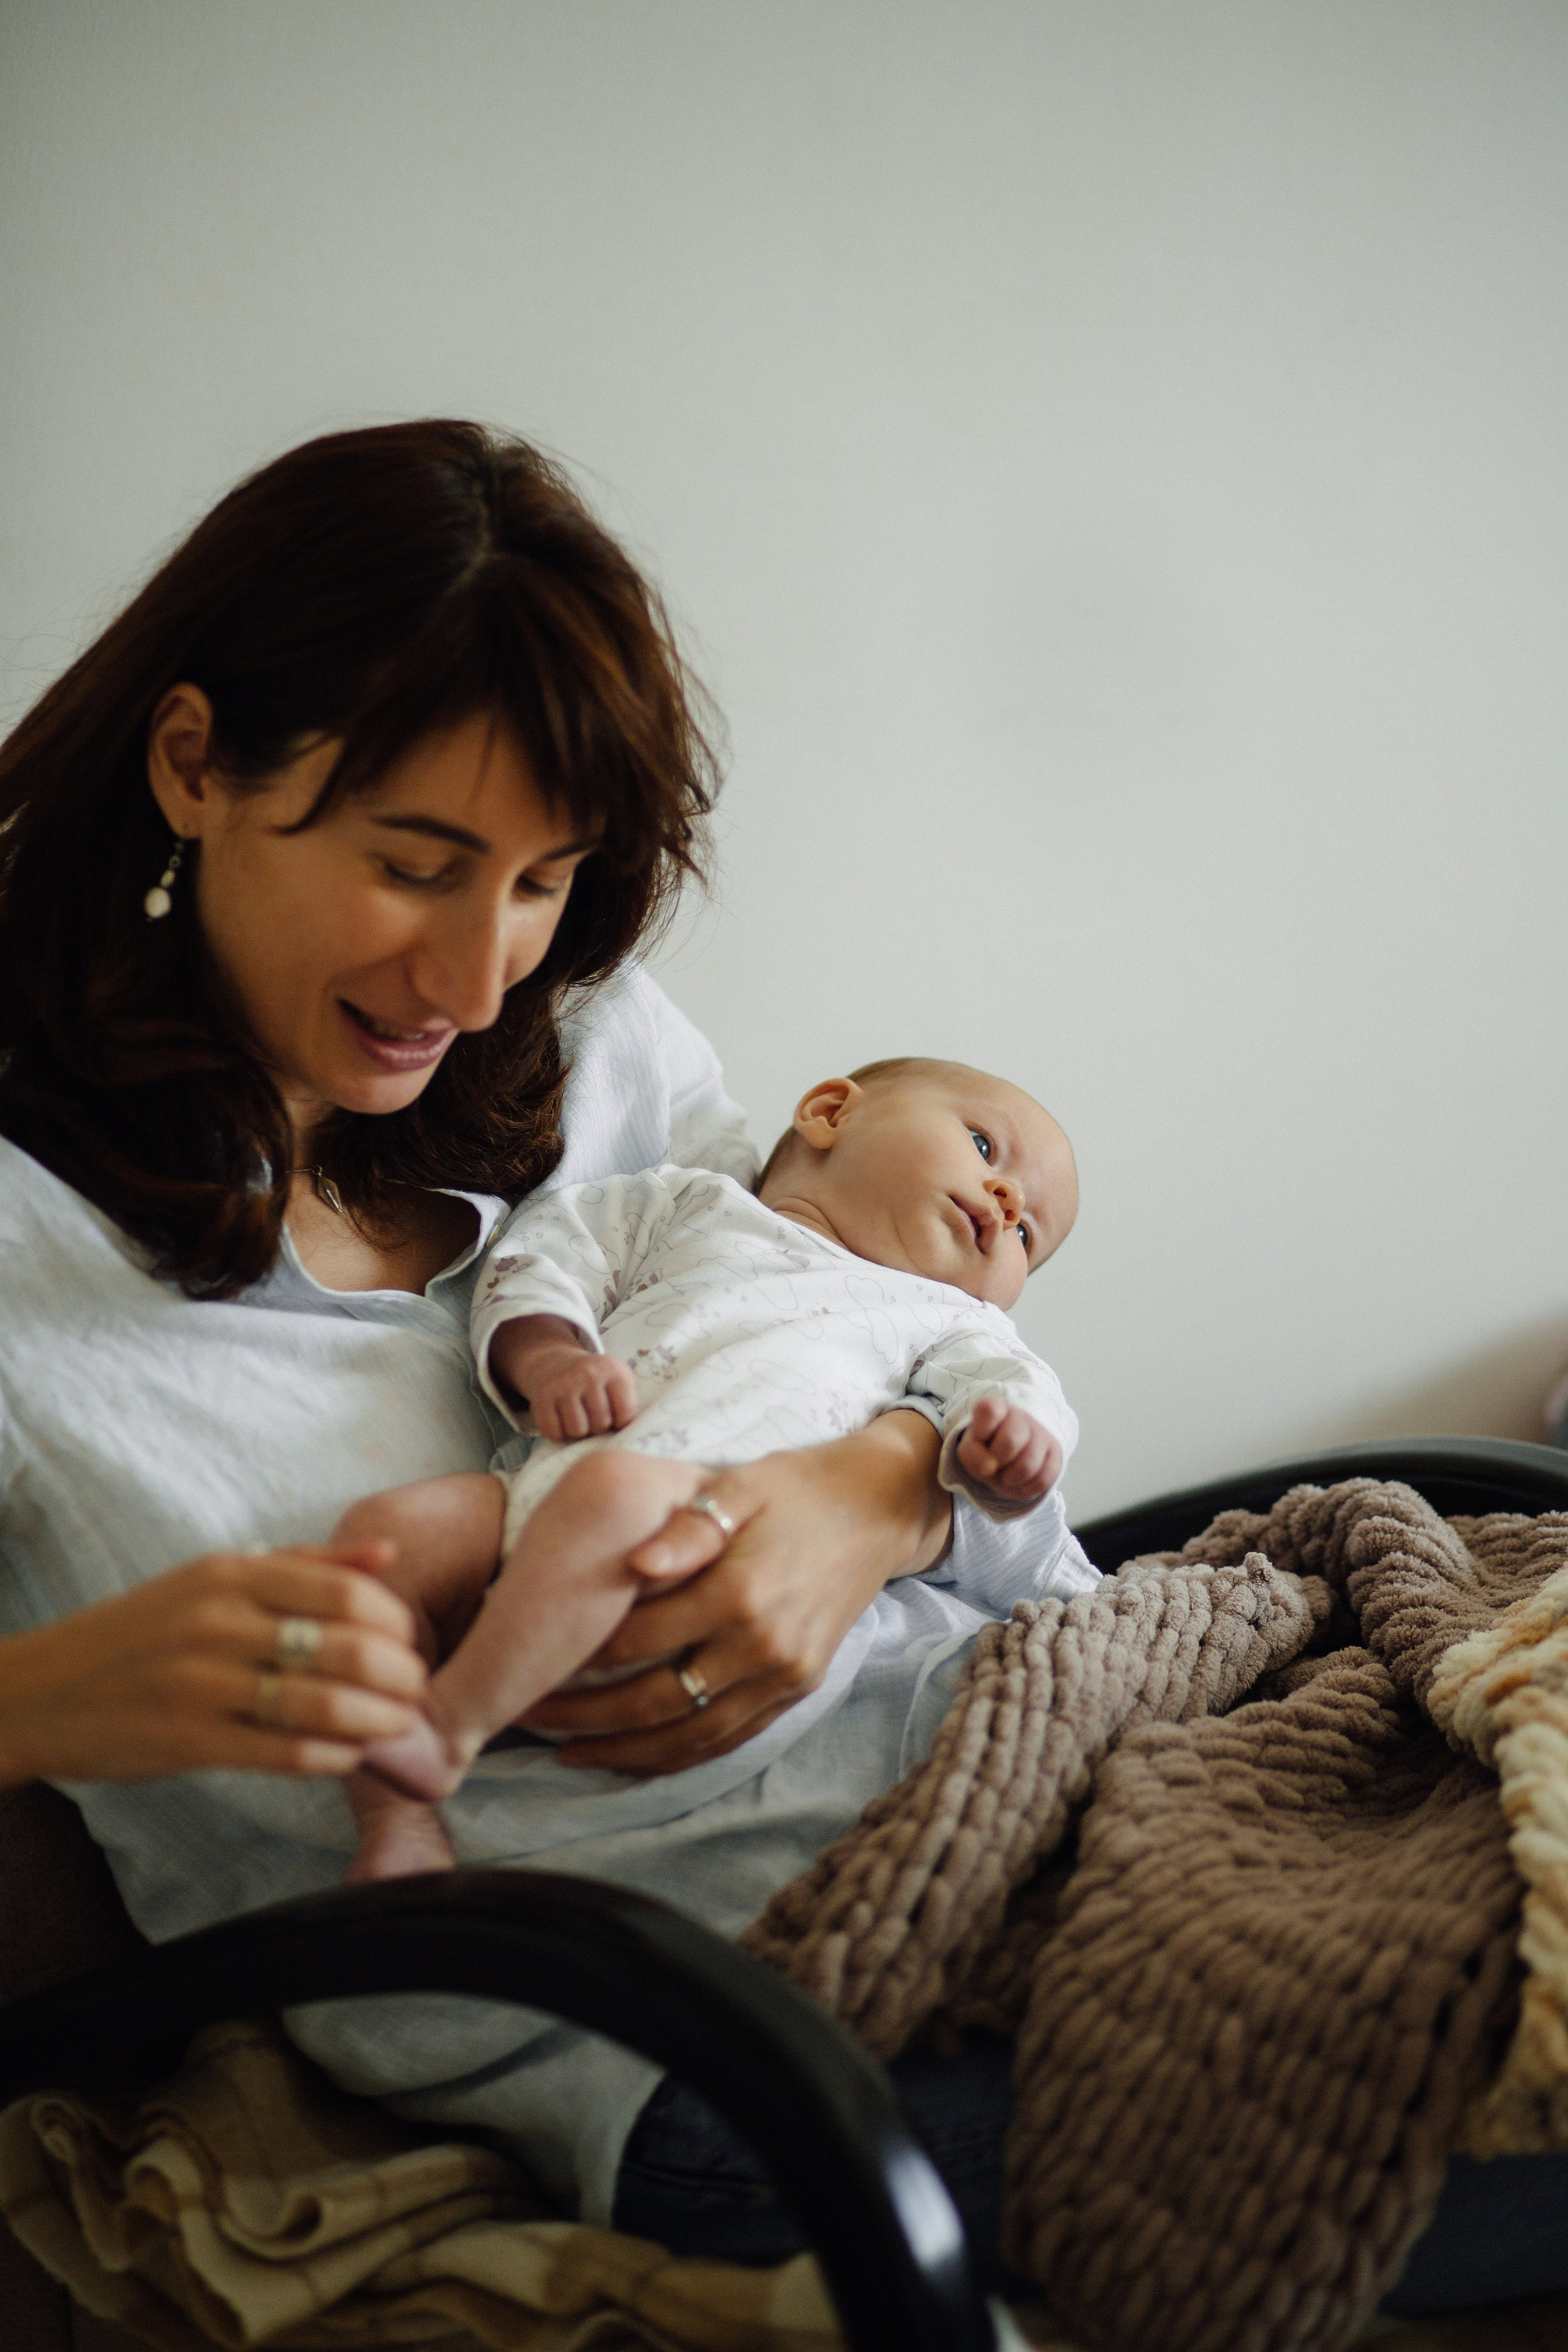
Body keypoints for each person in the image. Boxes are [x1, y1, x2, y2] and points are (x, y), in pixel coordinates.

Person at [336, 1056, 1082, 1880]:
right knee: (383, 1541)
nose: (1008, 1204)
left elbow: (1014, 1393)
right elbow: (548, 1258)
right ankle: (393, 1818)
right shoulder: (684, 1203)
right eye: (984, 1146)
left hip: (719, 1560)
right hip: (540, 1499)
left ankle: (445, 1731)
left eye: (1028, 1236)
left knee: (613, 1493)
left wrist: (1008, 1445)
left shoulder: (951, 1320)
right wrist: (550, 1358)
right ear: (831, 1112)